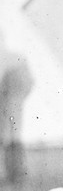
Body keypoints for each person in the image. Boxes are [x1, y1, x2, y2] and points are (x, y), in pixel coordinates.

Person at [0, 36, 34, 183]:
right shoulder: (18, 57)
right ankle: (17, 173)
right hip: (14, 102)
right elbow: (30, 82)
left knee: (7, 135)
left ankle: (12, 173)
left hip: (9, 102)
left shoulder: (7, 58)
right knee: (14, 134)